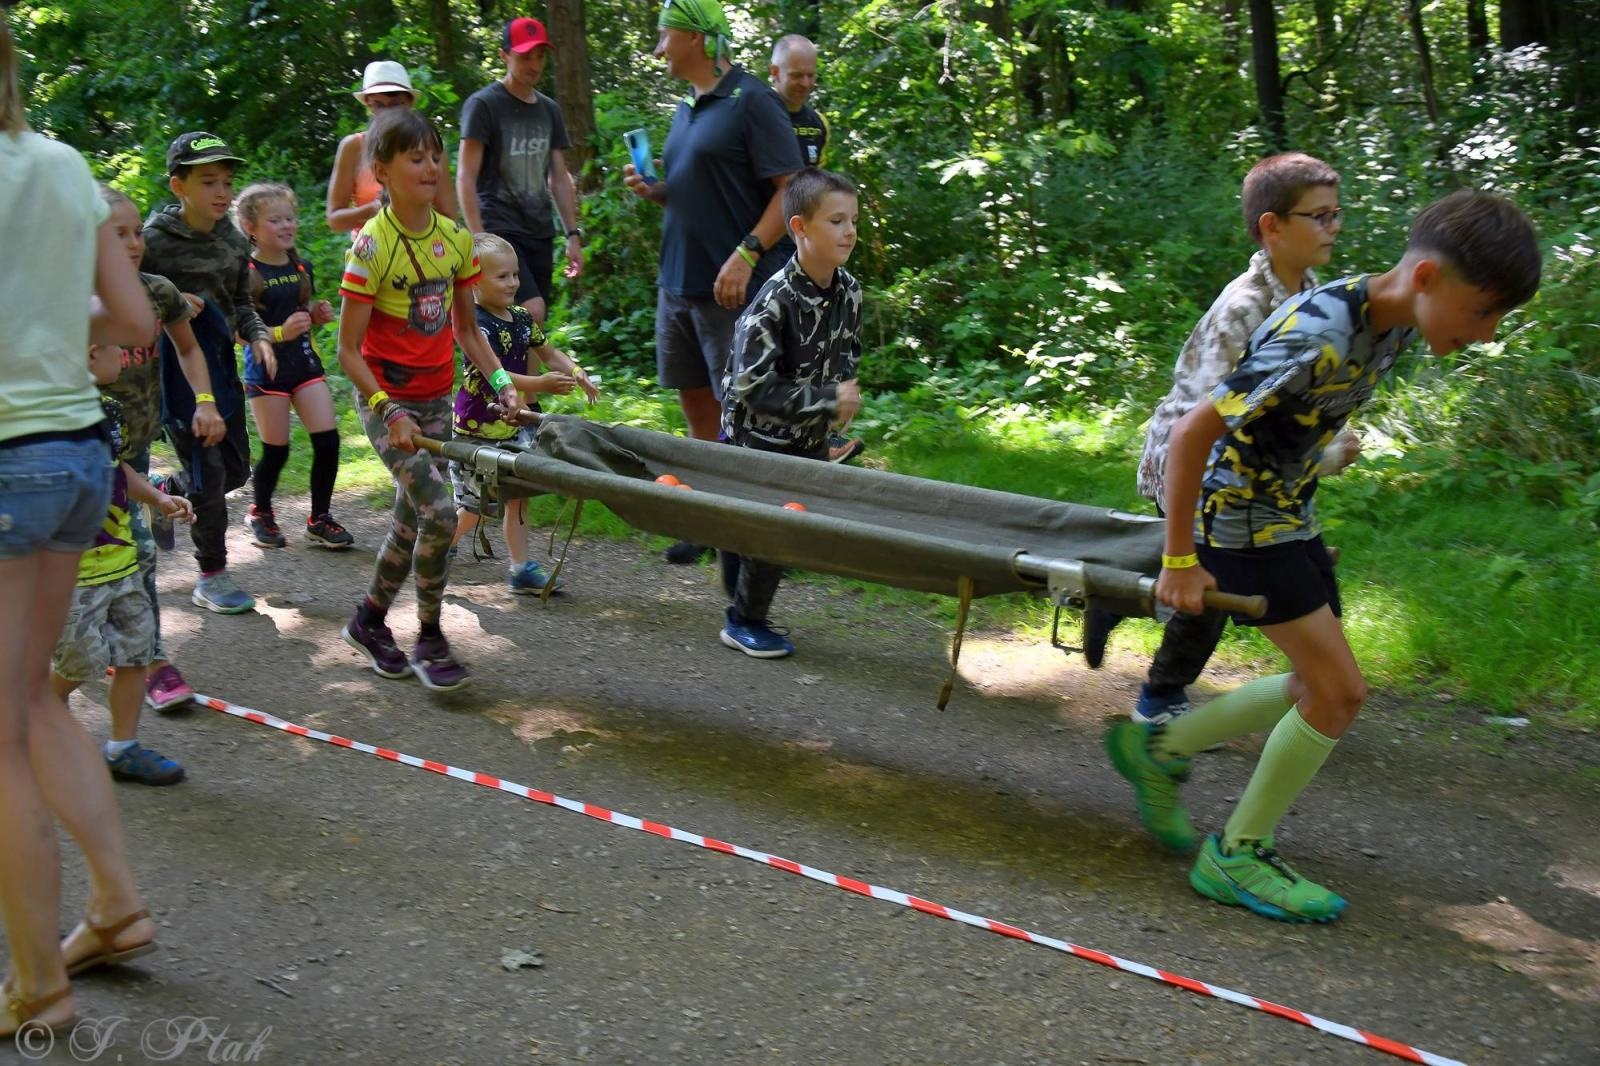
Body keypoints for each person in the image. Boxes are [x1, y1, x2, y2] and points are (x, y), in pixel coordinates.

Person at [1105, 190, 1540, 923]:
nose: (1488, 333)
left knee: (1316, 683)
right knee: (1339, 693)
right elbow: (1192, 434)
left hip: (1285, 515)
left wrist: (1311, 493)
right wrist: (1180, 560)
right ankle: (1237, 854)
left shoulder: (1390, 324)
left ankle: (1159, 748)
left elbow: (1293, 425)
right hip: (1237, 522)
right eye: (1484, 311)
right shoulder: (1319, 330)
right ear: (1427, 277)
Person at [0, 8, 160, 1036]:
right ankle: (116, 906)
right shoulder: (63, 165)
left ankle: (38, 987)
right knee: (31, 702)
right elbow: (134, 321)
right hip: (76, 459)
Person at [1083, 153, 1354, 725]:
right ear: (1272, 227)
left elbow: (1310, 384)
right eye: (1320, 216)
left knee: (1294, 571)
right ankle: (1160, 697)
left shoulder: (1312, 292)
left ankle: (1118, 598)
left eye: (1336, 214)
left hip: (1263, 474)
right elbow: (1209, 421)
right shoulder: (1244, 308)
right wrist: (1321, 454)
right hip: (1194, 464)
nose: (1334, 227)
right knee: (1209, 582)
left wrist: (1332, 431)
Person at [336, 108, 522, 692]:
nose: (431, 167)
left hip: (437, 399)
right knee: (440, 514)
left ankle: (368, 621)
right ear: (382, 171)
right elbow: (346, 351)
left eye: (435, 157)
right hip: (385, 403)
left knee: (410, 518)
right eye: (416, 158)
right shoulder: (371, 246)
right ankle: (431, 637)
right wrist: (388, 409)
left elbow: (467, 331)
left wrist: (502, 383)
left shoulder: (456, 241)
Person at [623, 0, 804, 564]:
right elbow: (698, 190)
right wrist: (656, 190)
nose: (658, 46)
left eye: (665, 34)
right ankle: (711, 522)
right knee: (699, 410)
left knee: (745, 415)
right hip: (677, 283)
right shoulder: (688, 107)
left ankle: (761, 538)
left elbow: (792, 190)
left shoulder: (753, 100)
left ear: (697, 39)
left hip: (730, 289)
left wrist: (747, 253)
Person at [718, 167, 862, 658]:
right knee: (775, 530)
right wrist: (827, 400)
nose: (849, 231)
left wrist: (838, 402)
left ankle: (735, 553)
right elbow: (753, 388)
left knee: (780, 529)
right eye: (836, 221)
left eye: (853, 221)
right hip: (755, 438)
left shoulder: (849, 291)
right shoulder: (774, 302)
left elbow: (845, 355)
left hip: (807, 435)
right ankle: (743, 621)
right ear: (800, 228)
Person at [97, 185, 227, 713]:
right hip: (81, 457)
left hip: (133, 450)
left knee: (135, 554)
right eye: (118, 235)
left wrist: (204, 402)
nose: (134, 244)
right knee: (109, 557)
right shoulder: (67, 302)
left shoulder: (157, 292)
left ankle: (148, 661)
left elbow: (189, 349)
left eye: (136, 233)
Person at [140, 131, 273, 614]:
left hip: (220, 371)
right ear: (179, 186)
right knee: (211, 474)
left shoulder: (234, 241)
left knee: (236, 470)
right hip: (175, 377)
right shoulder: (152, 241)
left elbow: (241, 303)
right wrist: (170, 302)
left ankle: (165, 490)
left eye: (227, 182)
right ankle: (212, 574)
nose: (221, 192)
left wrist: (259, 336)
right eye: (208, 181)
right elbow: (126, 294)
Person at [53, 346, 196, 786]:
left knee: (137, 651)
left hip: (121, 562)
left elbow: (118, 469)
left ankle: (122, 748)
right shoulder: (41, 420)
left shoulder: (109, 410)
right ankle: (34, 708)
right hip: (69, 572)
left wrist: (157, 498)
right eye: (117, 347)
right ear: (90, 354)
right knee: (81, 661)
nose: (128, 356)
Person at [449, 233, 598, 592]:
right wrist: (540, 384)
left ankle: (520, 569)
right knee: (479, 504)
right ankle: (443, 542)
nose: (513, 282)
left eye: (515, 274)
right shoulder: (475, 325)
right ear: (474, 283)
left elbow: (549, 353)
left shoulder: (520, 317)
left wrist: (576, 372)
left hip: (516, 426)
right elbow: (492, 372)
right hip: (478, 427)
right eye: (502, 276)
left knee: (517, 497)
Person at [234, 182, 352, 550]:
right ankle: (260, 512)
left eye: (290, 218)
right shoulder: (244, 272)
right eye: (275, 220)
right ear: (251, 227)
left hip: (304, 366)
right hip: (266, 372)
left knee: (328, 441)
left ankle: (320, 519)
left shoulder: (302, 266)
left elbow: (300, 309)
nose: (287, 225)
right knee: (277, 451)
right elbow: (237, 332)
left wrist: (316, 315)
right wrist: (279, 332)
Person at [761, 33, 861, 466]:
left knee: (820, 342)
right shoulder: (758, 115)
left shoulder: (817, 123)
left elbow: (817, 185)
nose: (804, 83)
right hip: (768, 244)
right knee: (774, 348)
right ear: (774, 73)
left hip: (807, 241)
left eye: (811, 76)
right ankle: (758, 446)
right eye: (796, 75)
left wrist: (830, 226)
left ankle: (820, 438)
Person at [457, 17, 584, 326]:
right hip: (499, 226)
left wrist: (572, 234)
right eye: (526, 56)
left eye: (540, 56)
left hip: (540, 230)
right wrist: (479, 241)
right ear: (504, 55)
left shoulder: (549, 110)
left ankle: (501, 360)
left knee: (529, 326)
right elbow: (465, 175)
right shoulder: (484, 105)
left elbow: (559, 177)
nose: (534, 64)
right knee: (531, 311)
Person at [326, 60, 458, 235]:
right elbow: (335, 220)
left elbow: (449, 217)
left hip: (423, 247)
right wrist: (374, 210)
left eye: (396, 104)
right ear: (368, 104)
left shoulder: (430, 147)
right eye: (379, 105)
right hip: (370, 249)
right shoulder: (353, 146)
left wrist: (412, 210)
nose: (388, 112)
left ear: (409, 103)